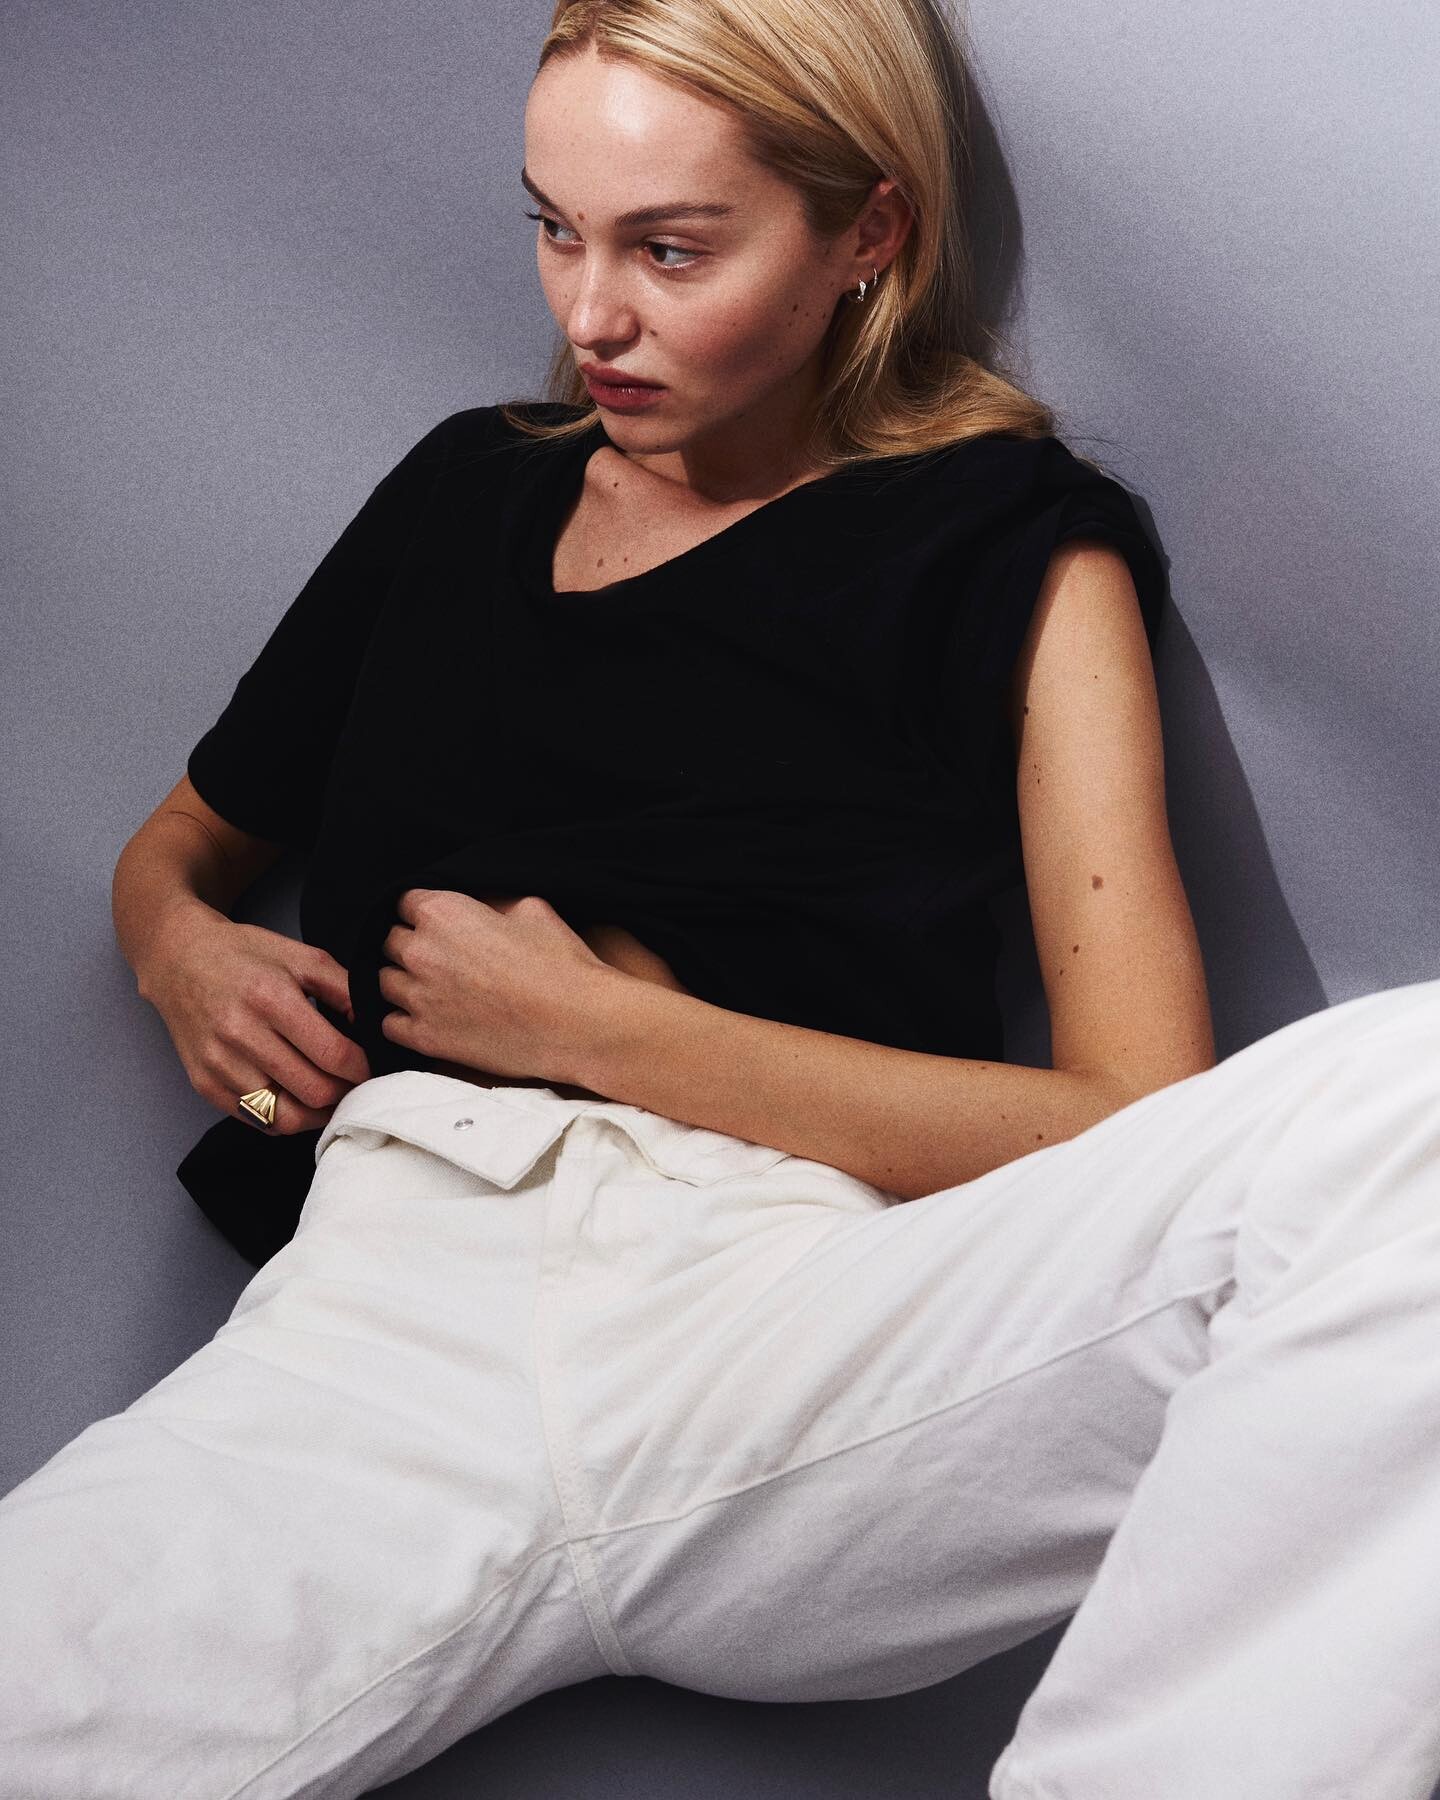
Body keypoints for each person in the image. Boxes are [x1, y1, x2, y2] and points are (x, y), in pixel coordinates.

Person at [3, 2, 1439, 1796]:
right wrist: (178, 952)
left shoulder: (1010, 547)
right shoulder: (462, 492)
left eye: (670, 250)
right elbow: (182, 847)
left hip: (806, 1324)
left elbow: (1134, 1118)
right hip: (392, 1315)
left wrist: (612, 1035)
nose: (590, 315)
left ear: (869, 231)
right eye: (555, 228)